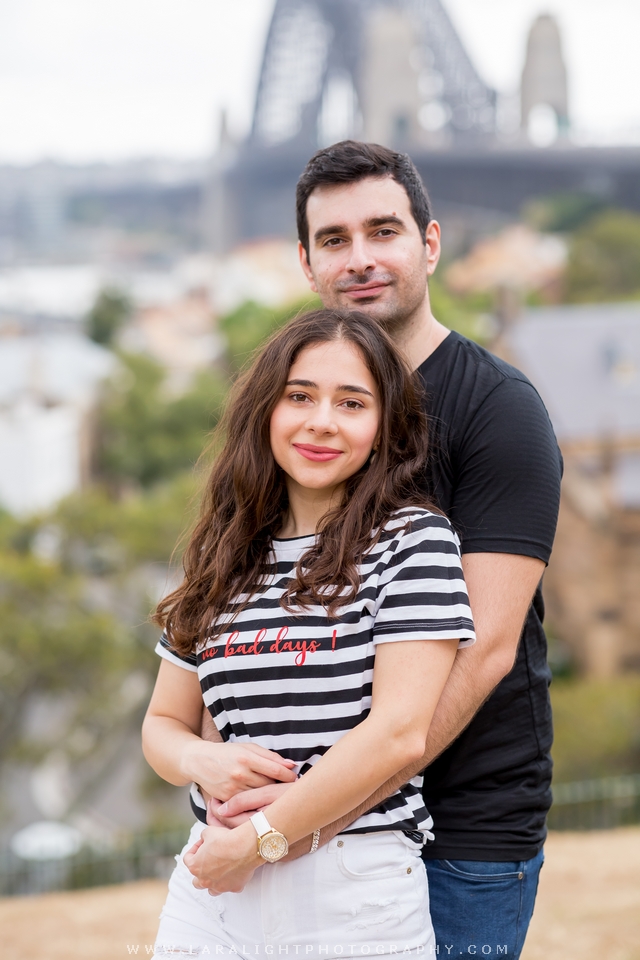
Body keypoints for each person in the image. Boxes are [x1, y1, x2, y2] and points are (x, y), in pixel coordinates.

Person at [201, 141, 563, 959]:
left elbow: (487, 651)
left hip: (463, 824)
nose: (360, 259)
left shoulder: (500, 411)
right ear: (306, 262)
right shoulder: (302, 420)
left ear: (429, 244)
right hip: (308, 825)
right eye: (334, 240)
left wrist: (304, 819)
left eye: (383, 231)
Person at [142, 308, 476, 957]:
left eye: (352, 403)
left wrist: (264, 838)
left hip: (352, 887)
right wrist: (198, 758)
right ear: (266, 410)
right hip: (212, 888)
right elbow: (162, 723)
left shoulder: (413, 543)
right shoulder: (223, 554)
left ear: (383, 430)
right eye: (300, 396)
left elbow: (399, 733)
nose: (322, 420)